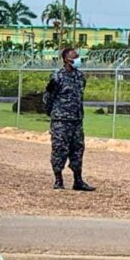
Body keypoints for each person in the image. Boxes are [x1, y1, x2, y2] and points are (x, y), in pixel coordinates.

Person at [44, 48, 95, 191]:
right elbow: (47, 97)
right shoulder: (57, 77)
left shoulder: (80, 76)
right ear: (66, 59)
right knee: (59, 149)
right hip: (61, 121)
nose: (79, 59)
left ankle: (78, 180)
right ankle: (58, 180)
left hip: (76, 120)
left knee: (77, 150)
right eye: (75, 57)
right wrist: (53, 114)